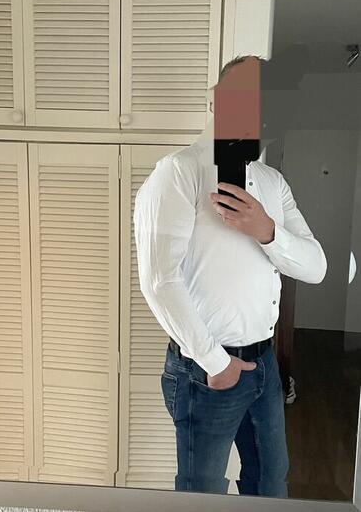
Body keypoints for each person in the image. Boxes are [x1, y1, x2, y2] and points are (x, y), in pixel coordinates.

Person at [133, 55, 327, 498]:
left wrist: (267, 230)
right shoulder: (179, 172)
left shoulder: (273, 183)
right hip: (207, 368)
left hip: (265, 365)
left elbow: (316, 267)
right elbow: (159, 280)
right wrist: (216, 363)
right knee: (201, 491)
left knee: (269, 484)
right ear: (216, 101)